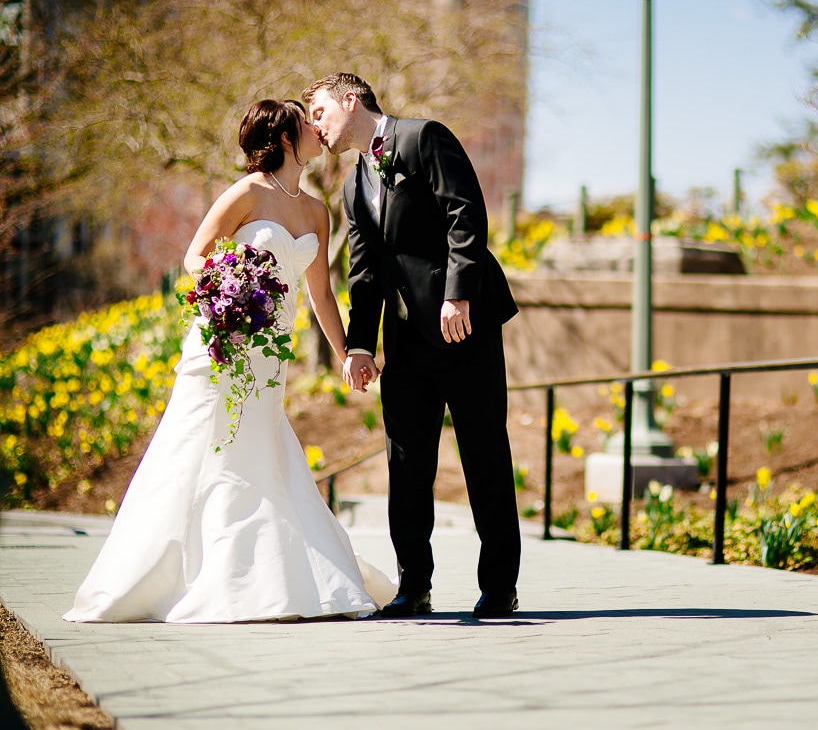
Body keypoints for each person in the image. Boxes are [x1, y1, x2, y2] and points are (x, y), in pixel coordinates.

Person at [64, 100, 392, 623]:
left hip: (271, 358)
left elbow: (321, 295)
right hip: (224, 343)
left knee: (259, 453)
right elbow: (195, 257)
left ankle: (271, 576)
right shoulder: (246, 193)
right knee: (197, 446)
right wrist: (235, 284)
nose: (316, 129)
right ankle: (169, 578)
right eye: (307, 123)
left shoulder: (315, 212)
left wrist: (348, 352)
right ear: (286, 138)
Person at [303, 73, 521, 619]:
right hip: (405, 345)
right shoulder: (353, 186)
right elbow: (364, 271)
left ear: (351, 100)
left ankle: (499, 587)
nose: (316, 125)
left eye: (321, 111)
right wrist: (358, 346)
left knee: (484, 456)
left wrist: (459, 295)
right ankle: (413, 586)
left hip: (463, 327)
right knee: (407, 464)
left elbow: (465, 213)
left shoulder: (423, 138)